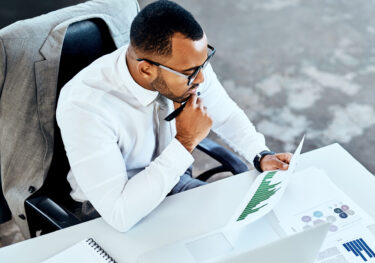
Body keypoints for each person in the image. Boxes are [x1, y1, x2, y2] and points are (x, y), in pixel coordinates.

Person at [56, 0, 292, 232]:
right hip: (109, 211)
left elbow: (226, 115)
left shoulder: (187, 66)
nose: (200, 79)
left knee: (250, 227)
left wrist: (260, 154)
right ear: (146, 69)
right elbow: (120, 213)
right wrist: (185, 142)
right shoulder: (85, 107)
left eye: (204, 64)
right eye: (191, 73)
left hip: (173, 181)